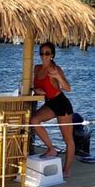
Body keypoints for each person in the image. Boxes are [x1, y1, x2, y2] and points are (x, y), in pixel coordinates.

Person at [32, 42, 74, 177]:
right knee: (34, 121)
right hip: (49, 103)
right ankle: (51, 149)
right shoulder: (37, 68)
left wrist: (58, 77)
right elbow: (39, 87)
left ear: (52, 55)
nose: (44, 56)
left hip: (61, 104)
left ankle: (66, 170)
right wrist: (36, 90)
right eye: (42, 53)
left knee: (68, 139)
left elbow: (68, 88)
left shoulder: (55, 69)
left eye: (47, 53)